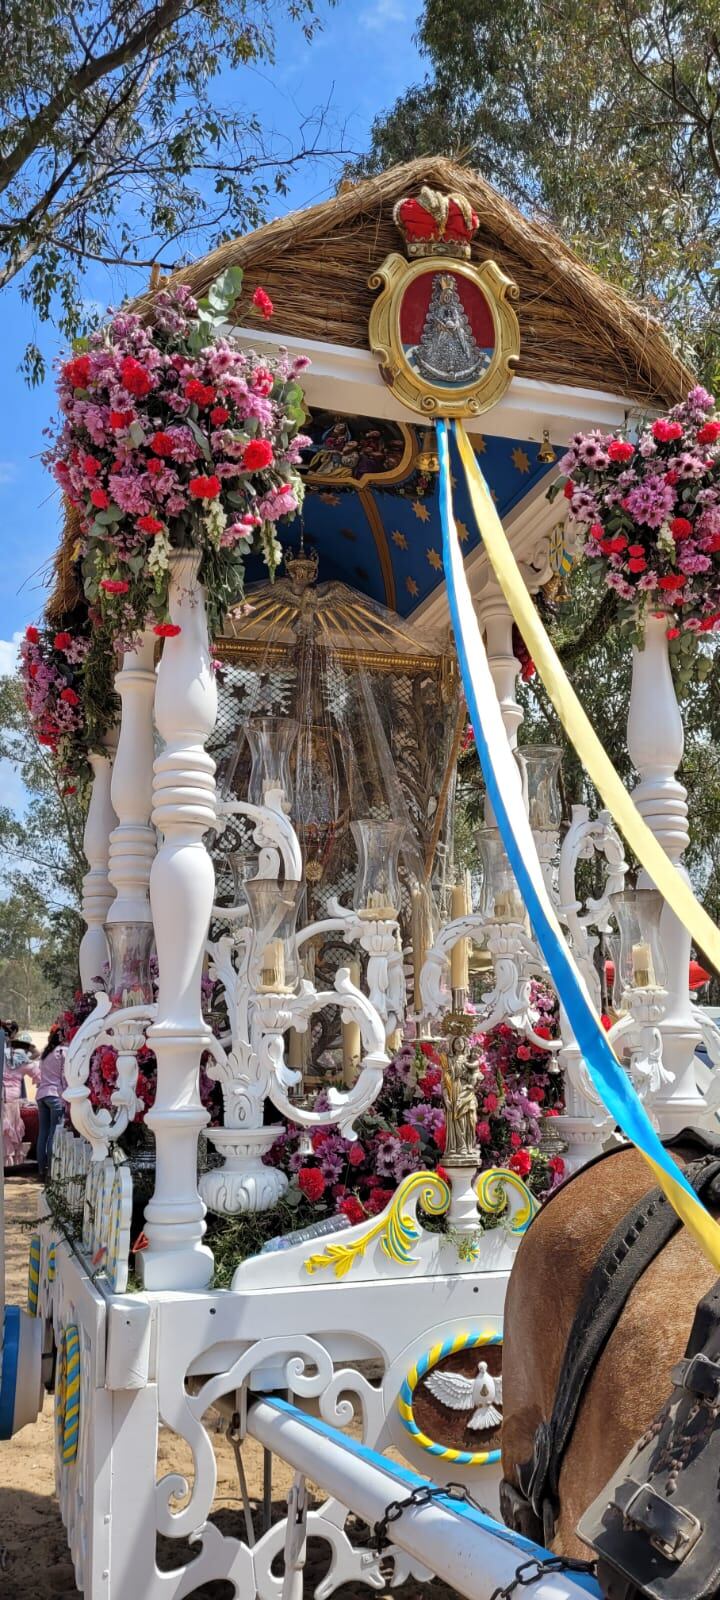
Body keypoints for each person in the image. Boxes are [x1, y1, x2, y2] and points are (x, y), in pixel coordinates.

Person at [1, 1020, 39, 1167]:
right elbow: (35, 1057)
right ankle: (10, 1162)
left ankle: (6, 1161)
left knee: (6, 1128)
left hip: (5, 1095)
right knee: (12, 1127)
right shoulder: (17, 1050)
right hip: (13, 1096)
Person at [36, 1026, 68, 1181]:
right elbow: (64, 1077)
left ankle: (41, 1170)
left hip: (41, 1095)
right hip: (55, 1095)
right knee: (53, 1134)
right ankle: (51, 1171)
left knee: (43, 1133)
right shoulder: (62, 1052)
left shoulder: (45, 1053)